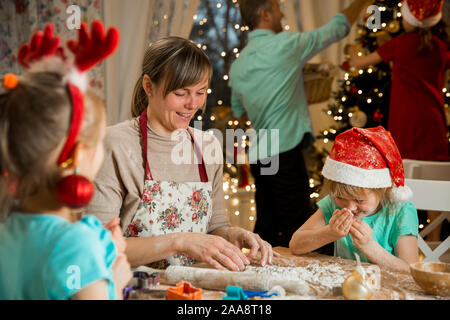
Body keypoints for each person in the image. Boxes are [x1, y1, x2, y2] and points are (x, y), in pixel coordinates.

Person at [86, 36, 277, 272]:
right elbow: (95, 247)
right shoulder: (113, 144)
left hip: (195, 292)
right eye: (181, 93)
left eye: (200, 92)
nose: (192, 104)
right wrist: (179, 242)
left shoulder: (208, 146)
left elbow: (215, 226)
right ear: (149, 86)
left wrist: (233, 235)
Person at [0, 22, 132, 299]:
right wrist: (114, 283)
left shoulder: (7, 231)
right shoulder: (75, 244)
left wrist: (102, 252)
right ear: (78, 154)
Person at [228, 0, 375, 247]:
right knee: (294, 229)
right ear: (265, 14)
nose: (282, 13)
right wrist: (361, 2)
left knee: (267, 226)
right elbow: (336, 28)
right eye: (277, 8)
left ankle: (257, 279)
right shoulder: (286, 45)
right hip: (283, 150)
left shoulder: (239, 64)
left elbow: (239, 112)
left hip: (259, 154)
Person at [346, 0, 449, 241]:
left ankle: (399, 240)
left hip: (406, 123)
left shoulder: (399, 44)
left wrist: (351, 50)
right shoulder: (441, 48)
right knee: (435, 186)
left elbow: (358, 63)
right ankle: (432, 243)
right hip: (434, 124)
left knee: (397, 184)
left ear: (408, 18)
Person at [289, 126, 419, 272]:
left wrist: (369, 246)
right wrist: (329, 233)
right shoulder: (332, 204)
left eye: (360, 200)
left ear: (383, 189)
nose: (349, 208)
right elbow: (295, 245)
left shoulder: (400, 211)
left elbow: (411, 270)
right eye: (340, 197)